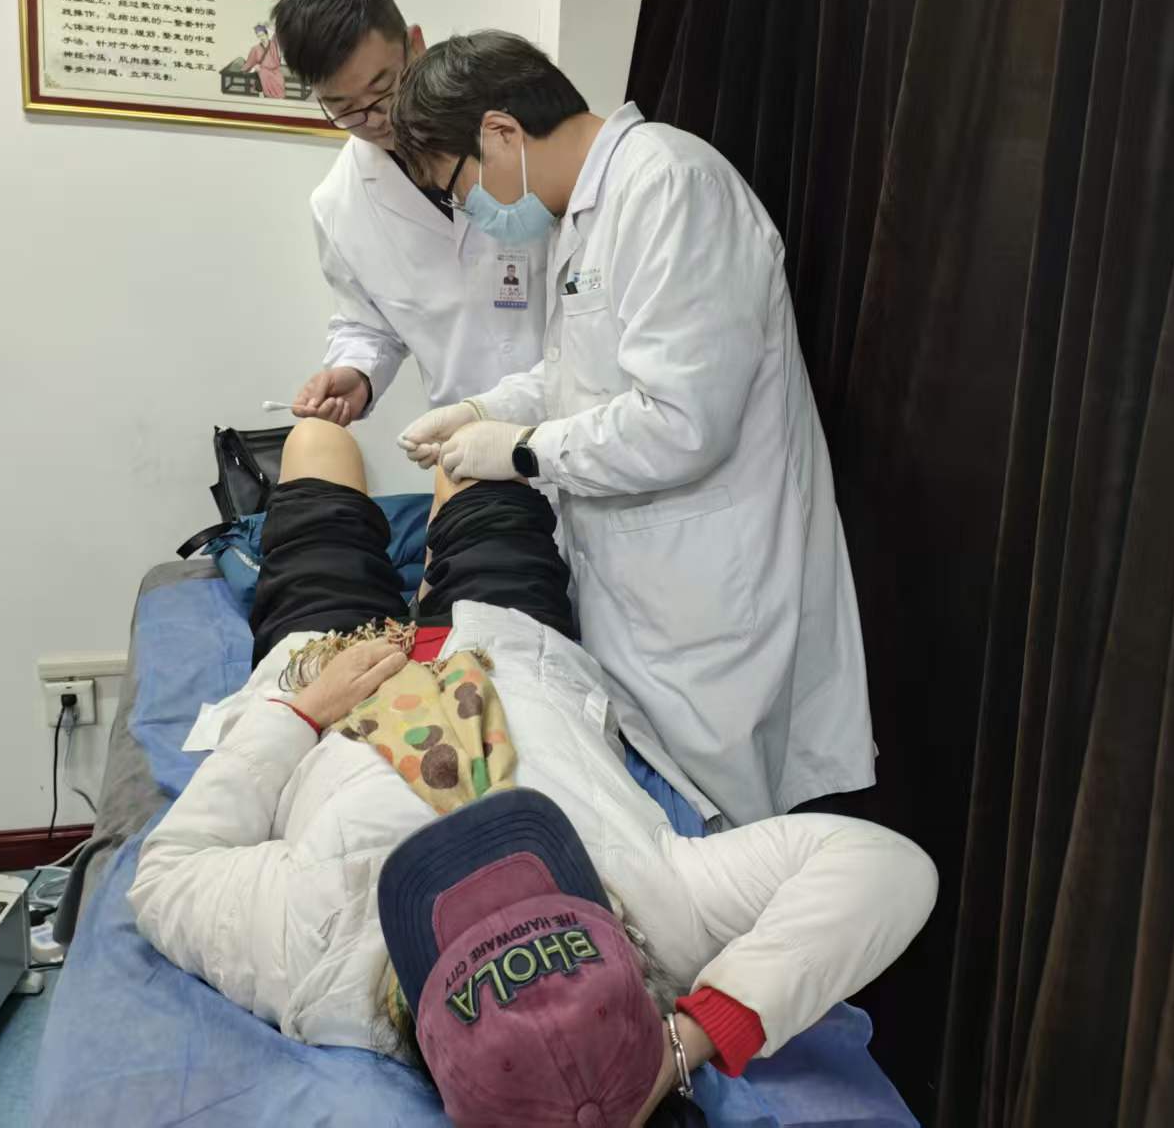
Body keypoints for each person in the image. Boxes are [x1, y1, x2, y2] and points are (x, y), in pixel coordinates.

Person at [129, 419, 935, 1125]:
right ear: (621, 954)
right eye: (533, 883)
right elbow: (885, 867)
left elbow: (167, 873)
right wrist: (689, 1043)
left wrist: (299, 713)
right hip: (504, 642)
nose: (479, 854)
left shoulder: (315, 953)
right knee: (469, 449)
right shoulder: (665, 910)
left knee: (316, 441)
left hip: (335, 668)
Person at [388, 32, 873, 825]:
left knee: (727, 845)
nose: (467, 213)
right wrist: (485, 408)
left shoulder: (671, 187)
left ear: (501, 133)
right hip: (642, 595)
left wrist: (520, 451)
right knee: (669, 832)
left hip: (711, 601)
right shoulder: (584, 215)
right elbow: (576, 374)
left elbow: (684, 421)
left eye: (457, 188)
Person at [270, 0, 548, 426]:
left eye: (384, 88)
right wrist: (357, 373)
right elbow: (367, 322)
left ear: (415, 45)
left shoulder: (514, 122)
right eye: (344, 109)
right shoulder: (339, 204)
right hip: (468, 441)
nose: (377, 119)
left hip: (585, 420)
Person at [243, 22, 286, 99]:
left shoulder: (274, 44)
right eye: (259, 36)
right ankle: (265, 96)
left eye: (262, 35)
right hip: (263, 71)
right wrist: (254, 67)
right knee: (262, 77)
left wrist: (270, 26)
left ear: (267, 34)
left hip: (275, 70)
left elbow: (279, 35)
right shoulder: (255, 49)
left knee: (280, 81)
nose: (261, 37)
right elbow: (249, 63)